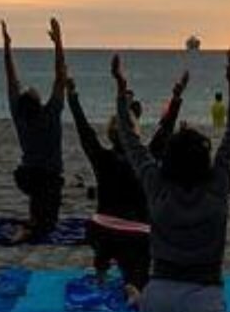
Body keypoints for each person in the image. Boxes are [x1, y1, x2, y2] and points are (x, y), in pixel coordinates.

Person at [113, 49, 230, 312]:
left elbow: (131, 141)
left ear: (168, 161)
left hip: (162, 299)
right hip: (205, 302)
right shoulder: (217, 185)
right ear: (204, 162)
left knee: (150, 310)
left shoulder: (157, 185)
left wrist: (121, 91)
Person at [69, 59, 183, 299]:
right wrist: (177, 97)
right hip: (136, 233)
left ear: (111, 135)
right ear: (134, 132)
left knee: (104, 241)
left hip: (100, 230)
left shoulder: (101, 157)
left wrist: (72, 96)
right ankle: (133, 285)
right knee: (139, 268)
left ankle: (101, 269)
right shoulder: (146, 158)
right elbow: (165, 131)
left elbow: (84, 130)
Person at [1, 18, 70, 242]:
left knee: (41, 209)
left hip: (27, 177)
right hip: (49, 178)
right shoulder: (49, 113)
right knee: (46, 227)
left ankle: (32, 221)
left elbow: (11, 81)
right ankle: (29, 229)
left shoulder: (19, 115)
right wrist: (59, 42)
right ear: (37, 100)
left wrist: (7, 47)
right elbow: (61, 77)